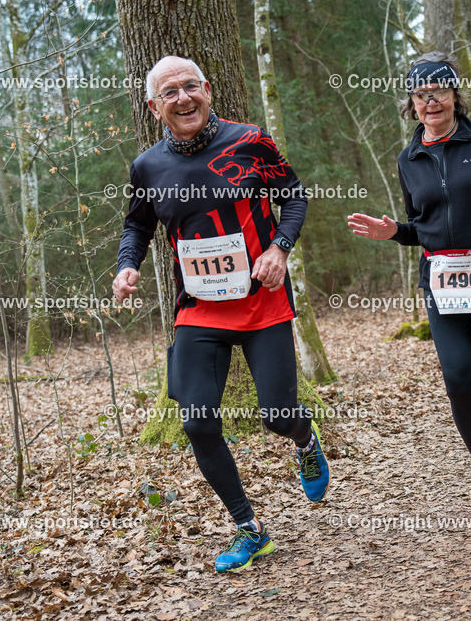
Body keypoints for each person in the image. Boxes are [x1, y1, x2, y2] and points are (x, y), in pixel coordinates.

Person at [113, 56, 329, 573]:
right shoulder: (147, 167)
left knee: (278, 414)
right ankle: (249, 529)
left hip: (261, 299)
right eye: (170, 92)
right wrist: (126, 267)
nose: (183, 98)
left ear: (207, 90)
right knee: (198, 422)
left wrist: (279, 247)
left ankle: (304, 438)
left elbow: (292, 197)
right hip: (199, 308)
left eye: (191, 86)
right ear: (154, 106)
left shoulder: (250, 140)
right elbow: (137, 226)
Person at [347, 52, 471, 520]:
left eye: (439, 91)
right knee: (459, 382)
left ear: (456, 96)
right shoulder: (408, 158)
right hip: (442, 282)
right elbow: (422, 226)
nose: (430, 100)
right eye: (421, 94)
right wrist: (393, 231)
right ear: (412, 103)